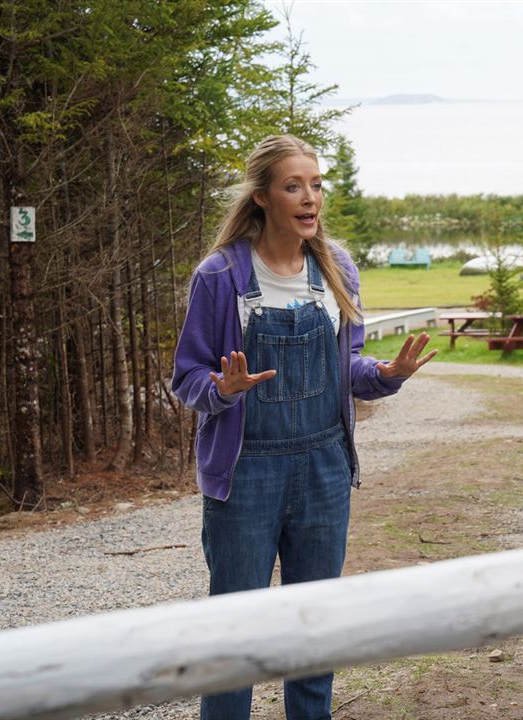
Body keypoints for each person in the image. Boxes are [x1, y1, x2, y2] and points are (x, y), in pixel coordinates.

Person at [171, 134, 436, 720]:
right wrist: (221, 389)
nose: (309, 197)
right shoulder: (220, 276)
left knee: (316, 630)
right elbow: (185, 376)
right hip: (246, 474)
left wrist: (388, 374)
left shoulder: (336, 266)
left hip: (324, 468)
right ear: (263, 196)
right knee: (235, 633)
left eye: (315, 185)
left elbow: (350, 369)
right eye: (294, 186)